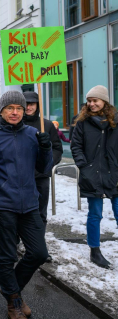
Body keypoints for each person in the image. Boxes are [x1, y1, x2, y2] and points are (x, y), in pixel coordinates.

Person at [0, 91, 52, 319]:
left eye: (19, 108)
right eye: (10, 108)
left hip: (29, 203)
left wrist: (45, 148)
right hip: (3, 204)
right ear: (2, 110)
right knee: (8, 255)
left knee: (38, 253)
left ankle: (10, 289)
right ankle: (14, 303)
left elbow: (44, 168)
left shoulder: (32, 134)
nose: (15, 112)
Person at [71, 85, 118, 269]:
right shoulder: (81, 122)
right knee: (95, 214)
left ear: (104, 101)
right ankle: (95, 251)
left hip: (114, 173)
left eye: (95, 101)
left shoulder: (115, 121)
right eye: (89, 101)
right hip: (92, 174)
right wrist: (85, 167)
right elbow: (76, 146)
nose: (91, 104)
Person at [23, 91, 63, 235]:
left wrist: (48, 162)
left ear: (37, 106)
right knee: (19, 212)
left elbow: (57, 148)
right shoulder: (16, 124)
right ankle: (15, 244)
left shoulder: (46, 125)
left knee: (40, 213)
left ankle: (39, 246)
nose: (28, 107)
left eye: (32, 104)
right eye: (26, 104)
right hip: (20, 177)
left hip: (41, 177)